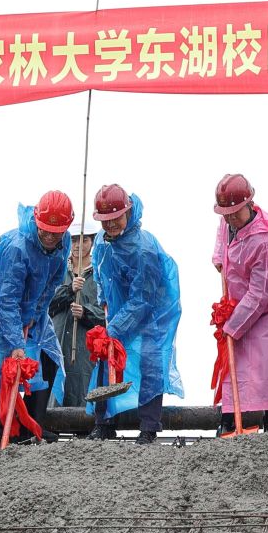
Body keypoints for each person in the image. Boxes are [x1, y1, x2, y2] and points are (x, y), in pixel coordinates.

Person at [0, 191, 75, 444]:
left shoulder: (63, 243)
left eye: (57, 232)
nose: (51, 237)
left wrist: (34, 313)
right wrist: (16, 341)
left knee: (47, 358)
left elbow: (53, 281)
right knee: (10, 365)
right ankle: (4, 429)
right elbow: (6, 299)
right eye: (46, 230)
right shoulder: (17, 248)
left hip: (33, 309)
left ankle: (33, 426)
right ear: (36, 221)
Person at [89, 184, 184, 443]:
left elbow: (143, 299)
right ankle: (103, 423)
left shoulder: (143, 248)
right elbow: (99, 272)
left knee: (150, 362)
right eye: (105, 220)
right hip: (116, 311)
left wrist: (115, 328)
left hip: (152, 314)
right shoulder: (101, 241)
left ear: (128, 212)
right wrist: (103, 300)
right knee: (106, 358)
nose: (110, 224)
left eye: (115, 218)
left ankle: (149, 427)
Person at [211, 174, 268, 434]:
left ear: (249, 204)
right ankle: (228, 420)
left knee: (267, 362)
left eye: (234, 213)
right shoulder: (226, 222)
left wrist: (233, 325)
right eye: (225, 214)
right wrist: (219, 259)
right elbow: (222, 243)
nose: (229, 218)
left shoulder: (267, 240)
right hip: (241, 301)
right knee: (235, 359)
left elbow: (261, 292)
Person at [51, 220, 105, 404]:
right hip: (56, 344)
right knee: (53, 396)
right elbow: (44, 305)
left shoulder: (100, 274)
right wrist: (68, 290)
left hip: (86, 352)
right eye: (74, 240)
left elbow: (107, 315)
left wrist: (85, 313)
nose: (78, 245)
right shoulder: (57, 269)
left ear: (92, 242)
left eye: (84, 240)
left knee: (85, 395)